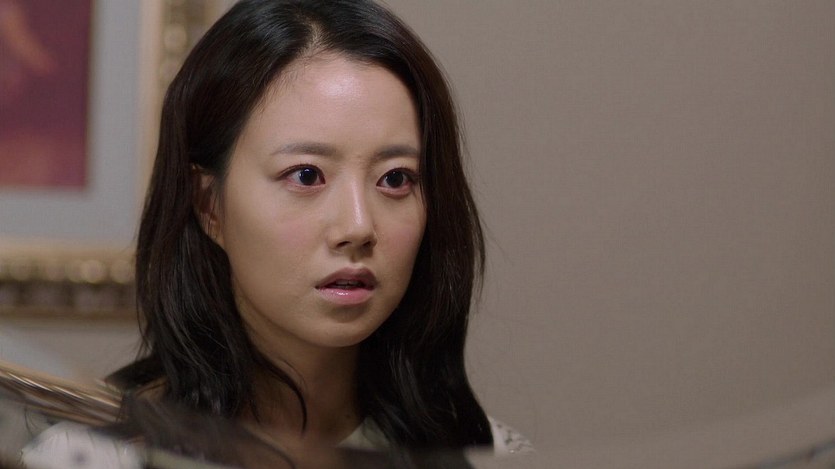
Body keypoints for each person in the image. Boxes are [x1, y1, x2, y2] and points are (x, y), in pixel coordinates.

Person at [106, 0, 531, 456]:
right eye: (306, 176)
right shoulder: (102, 456)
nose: (358, 226)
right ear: (209, 205)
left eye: (395, 179)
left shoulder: (489, 457)